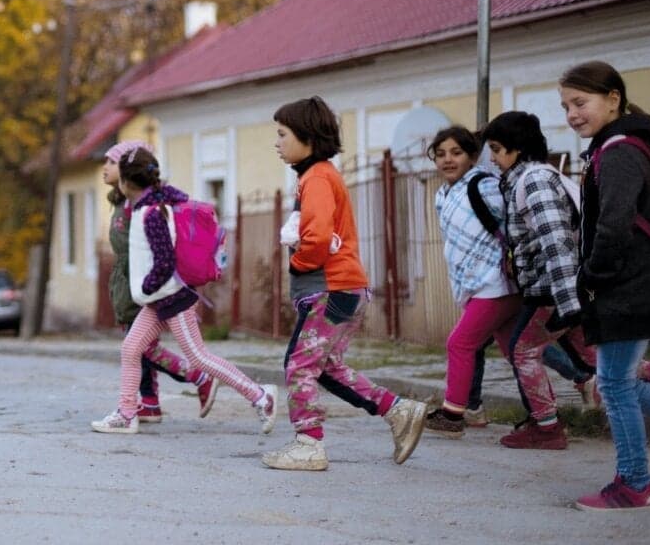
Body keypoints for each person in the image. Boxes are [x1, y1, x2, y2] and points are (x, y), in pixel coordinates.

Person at [261, 97, 426, 471]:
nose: (277, 142)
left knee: (299, 366)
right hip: (340, 289)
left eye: (282, 134)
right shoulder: (317, 175)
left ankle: (309, 444)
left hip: (330, 289)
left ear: (307, 136)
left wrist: (300, 265)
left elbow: (317, 238)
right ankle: (398, 411)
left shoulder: (317, 176)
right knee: (325, 367)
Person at [90, 147, 277, 434]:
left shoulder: (151, 214)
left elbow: (165, 262)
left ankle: (261, 396)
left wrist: (146, 286)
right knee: (130, 349)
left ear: (127, 183)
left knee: (200, 358)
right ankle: (127, 414)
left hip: (172, 298)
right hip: (157, 300)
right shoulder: (149, 204)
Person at [559, 61, 650, 510]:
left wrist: (592, 275)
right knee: (621, 381)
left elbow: (613, 227)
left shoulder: (617, 151)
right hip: (637, 281)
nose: (573, 113)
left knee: (614, 384)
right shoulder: (621, 145)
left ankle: (634, 483)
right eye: (566, 106)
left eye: (581, 102)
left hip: (628, 285)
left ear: (613, 98)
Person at [482, 111, 589, 450]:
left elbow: (558, 241)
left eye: (498, 149)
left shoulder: (534, 180)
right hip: (557, 288)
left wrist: (569, 302)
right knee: (595, 356)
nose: (494, 159)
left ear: (518, 148)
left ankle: (547, 427)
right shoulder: (522, 180)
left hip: (552, 289)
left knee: (523, 350)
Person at [102, 140, 216, 423]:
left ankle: (199, 376)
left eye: (111, 162)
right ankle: (149, 402)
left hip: (142, 281)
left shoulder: (137, 203)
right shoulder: (121, 201)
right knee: (137, 345)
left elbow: (153, 248)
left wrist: (145, 284)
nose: (104, 168)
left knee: (140, 346)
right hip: (128, 280)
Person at [423, 126, 521, 438]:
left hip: (497, 281)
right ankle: (551, 414)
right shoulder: (443, 193)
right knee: (519, 350)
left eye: (456, 152)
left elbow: (513, 223)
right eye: (440, 154)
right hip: (474, 284)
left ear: (473, 156)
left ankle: (453, 415)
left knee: (460, 343)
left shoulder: (484, 185)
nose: (448, 160)